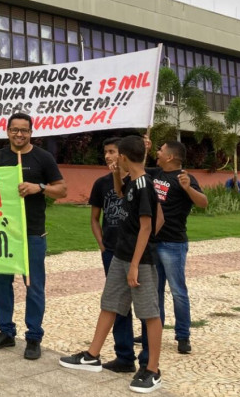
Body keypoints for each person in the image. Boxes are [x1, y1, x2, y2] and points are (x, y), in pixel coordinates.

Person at [59, 135, 164, 394]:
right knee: (110, 304)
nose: (113, 159)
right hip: (120, 255)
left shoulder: (144, 185)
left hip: (140, 260)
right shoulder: (132, 182)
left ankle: (152, 370)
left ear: (124, 157)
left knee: (149, 313)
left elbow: (148, 226)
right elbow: (119, 192)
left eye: (117, 156)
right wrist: (117, 174)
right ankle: (92, 355)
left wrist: (135, 265)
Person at [0, 113, 66, 358]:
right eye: (15, 130)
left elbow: (62, 190)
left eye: (24, 130)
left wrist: (38, 187)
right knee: (1, 284)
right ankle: (6, 332)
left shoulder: (43, 157)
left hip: (32, 233)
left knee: (34, 286)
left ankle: (33, 337)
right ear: (7, 131)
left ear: (31, 132)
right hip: (3, 233)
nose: (19, 134)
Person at [138, 139, 207, 357]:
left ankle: (183, 335)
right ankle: (152, 332)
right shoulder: (155, 173)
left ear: (170, 157)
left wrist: (188, 188)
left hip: (173, 244)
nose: (157, 153)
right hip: (153, 241)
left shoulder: (185, 178)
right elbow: (136, 169)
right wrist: (144, 149)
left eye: (160, 150)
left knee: (178, 291)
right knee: (154, 291)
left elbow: (203, 202)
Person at [87, 137, 137, 372]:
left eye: (112, 151)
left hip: (135, 252)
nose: (108, 156)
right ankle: (124, 355)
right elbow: (94, 218)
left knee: (145, 304)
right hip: (111, 251)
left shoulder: (138, 182)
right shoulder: (101, 184)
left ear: (123, 154)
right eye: (105, 151)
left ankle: (148, 359)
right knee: (118, 304)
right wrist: (101, 244)